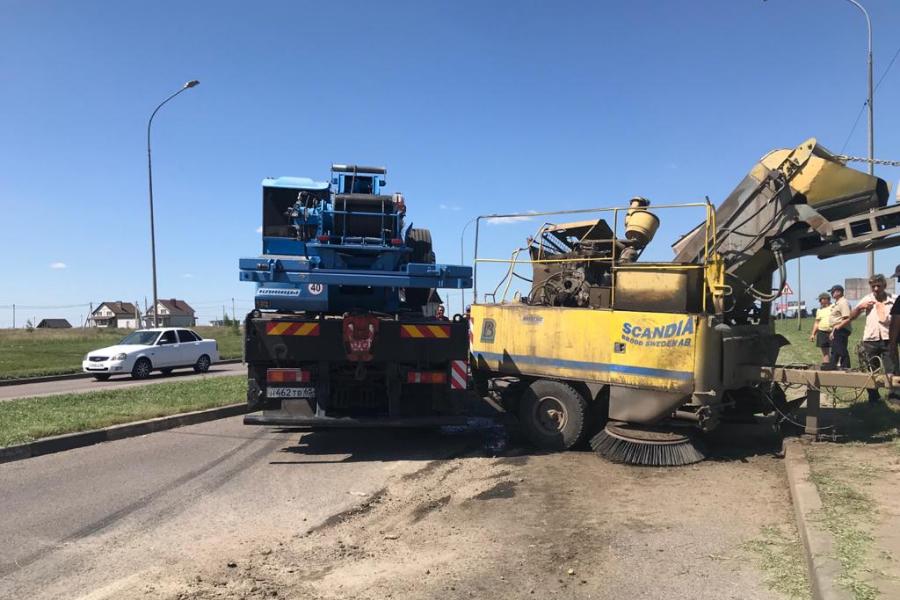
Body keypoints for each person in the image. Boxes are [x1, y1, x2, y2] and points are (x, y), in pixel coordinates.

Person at [850, 274, 896, 402]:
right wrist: (860, 307)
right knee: (870, 370)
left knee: (892, 370)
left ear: (884, 286)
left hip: (889, 339)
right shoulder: (866, 299)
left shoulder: (894, 299)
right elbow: (851, 316)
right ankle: (874, 397)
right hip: (870, 340)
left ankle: (893, 395)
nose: (876, 289)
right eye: (873, 286)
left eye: (878, 286)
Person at [828, 284, 853, 369]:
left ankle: (845, 366)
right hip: (837, 329)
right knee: (835, 350)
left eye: (832, 291)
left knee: (840, 349)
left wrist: (837, 328)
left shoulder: (843, 302)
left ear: (838, 292)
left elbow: (847, 318)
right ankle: (832, 365)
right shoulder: (837, 303)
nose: (831, 293)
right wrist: (833, 331)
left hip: (841, 329)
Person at [809, 292, 833, 367]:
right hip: (822, 332)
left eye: (821, 300)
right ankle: (826, 366)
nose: (819, 302)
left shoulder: (833, 307)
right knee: (825, 352)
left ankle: (835, 366)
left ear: (827, 299)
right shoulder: (819, 310)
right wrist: (813, 334)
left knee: (835, 351)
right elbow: (816, 322)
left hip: (832, 332)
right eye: (819, 300)